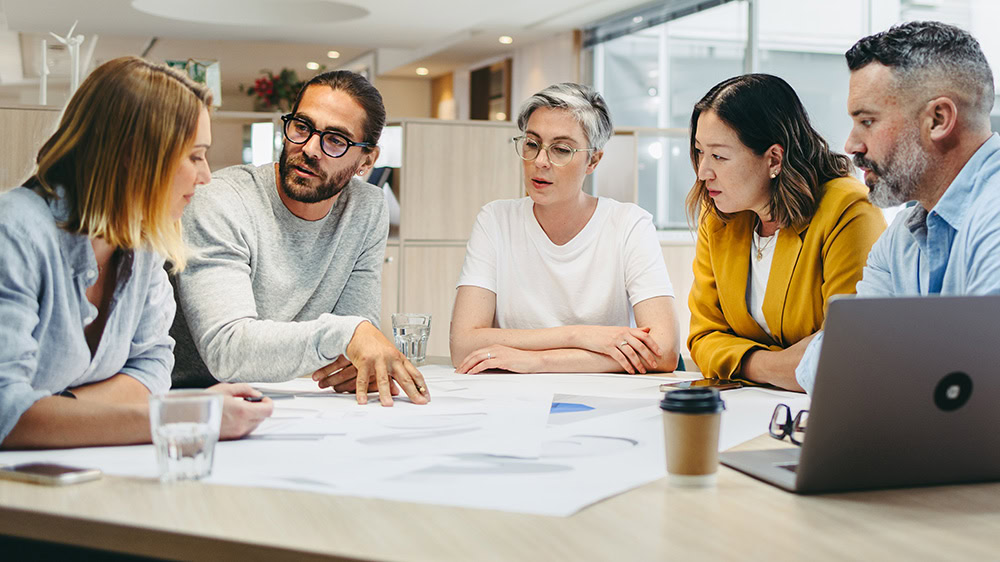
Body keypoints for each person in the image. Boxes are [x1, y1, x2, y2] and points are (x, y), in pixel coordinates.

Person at [0, 56, 273, 449]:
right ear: (135, 154)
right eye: (195, 155)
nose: (206, 175)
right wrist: (188, 415)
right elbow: (7, 415)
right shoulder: (15, 232)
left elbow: (153, 368)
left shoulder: (142, 246)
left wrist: (55, 411)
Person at [170, 70, 429, 407]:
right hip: (191, 401)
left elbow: (352, 350)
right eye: (302, 127)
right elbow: (227, 350)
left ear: (367, 160)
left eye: (336, 140)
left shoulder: (367, 209)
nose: (309, 149)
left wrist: (353, 348)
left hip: (287, 402)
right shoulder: (221, 200)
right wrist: (347, 335)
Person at [796, 21, 1000, 393]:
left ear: (938, 120)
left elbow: (982, 384)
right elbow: (823, 368)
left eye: (867, 121)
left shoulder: (994, 215)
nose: (852, 144)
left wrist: (886, 359)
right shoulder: (901, 238)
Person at [450, 83, 680, 375]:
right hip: (512, 397)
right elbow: (463, 345)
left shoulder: (628, 225)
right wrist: (579, 336)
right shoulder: (496, 220)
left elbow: (664, 350)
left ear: (593, 160)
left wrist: (538, 361)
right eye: (532, 144)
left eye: (561, 149)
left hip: (604, 400)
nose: (540, 162)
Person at [686, 74, 885, 391]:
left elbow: (844, 349)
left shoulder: (848, 210)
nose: (702, 172)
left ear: (774, 159)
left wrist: (737, 359)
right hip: (747, 408)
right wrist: (771, 366)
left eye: (719, 156)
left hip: (825, 411)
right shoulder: (721, 217)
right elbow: (703, 336)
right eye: (699, 152)